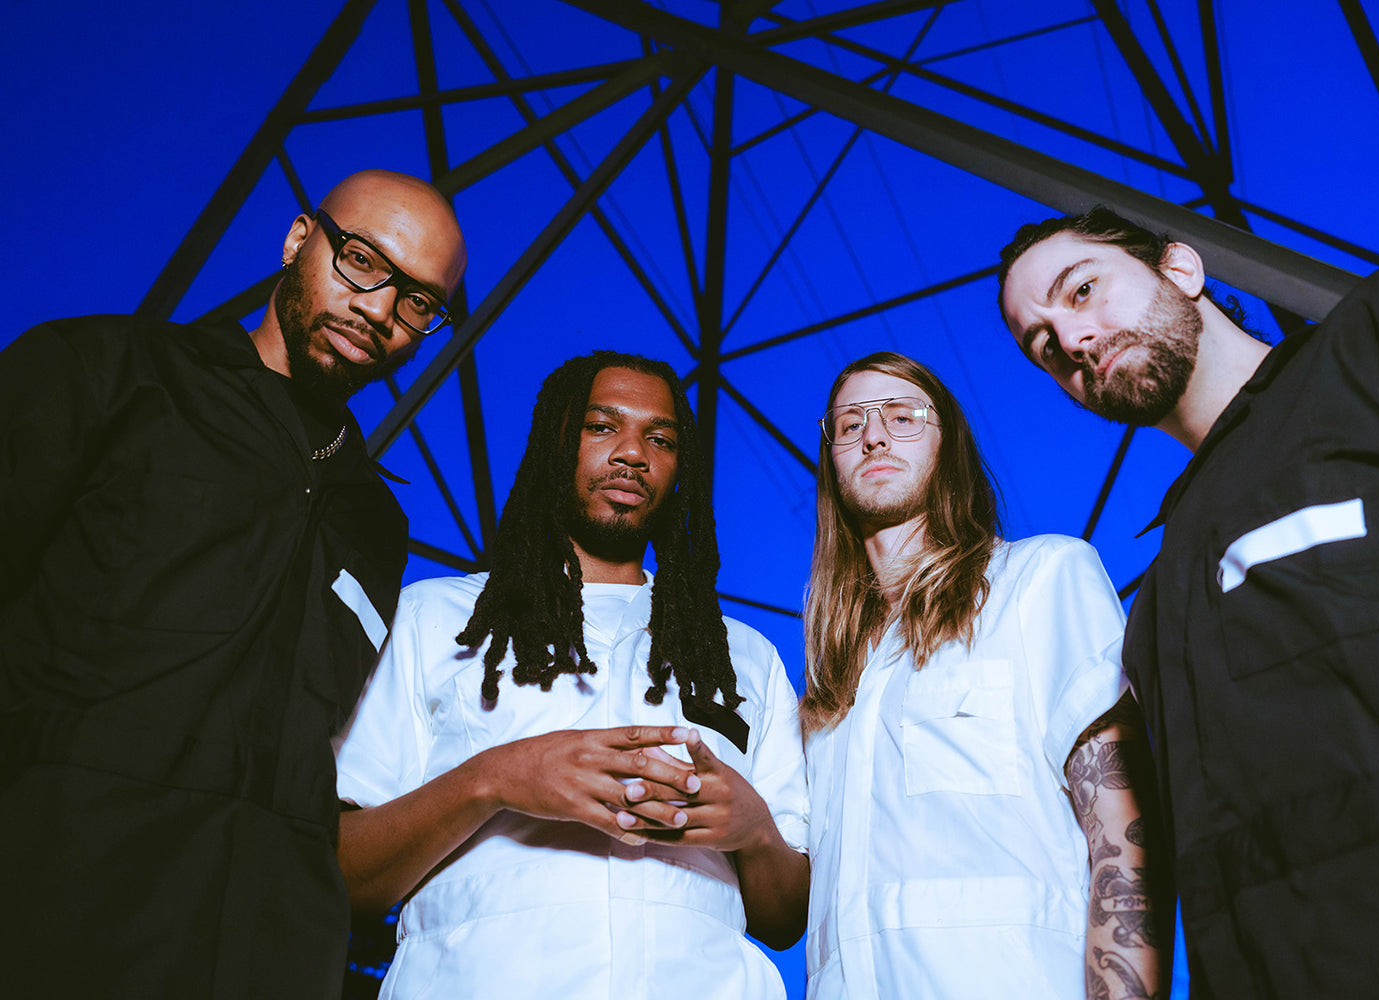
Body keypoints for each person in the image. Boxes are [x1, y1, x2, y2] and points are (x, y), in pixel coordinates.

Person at [998, 206, 1379, 998]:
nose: (1075, 340)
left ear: (1181, 269)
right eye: (1045, 348)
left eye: (1083, 290)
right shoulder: (1159, 610)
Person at [0, 168, 467, 999]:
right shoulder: (103, 372)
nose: (380, 310)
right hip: (51, 910)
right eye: (362, 261)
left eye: (419, 301)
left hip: (265, 952)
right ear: (299, 240)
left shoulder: (375, 523)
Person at [333, 351, 809, 999]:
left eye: (661, 439)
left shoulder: (744, 655)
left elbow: (785, 919)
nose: (632, 453)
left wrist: (754, 832)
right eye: (601, 426)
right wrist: (493, 779)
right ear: (554, 443)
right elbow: (340, 875)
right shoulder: (434, 618)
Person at [801, 351, 1168, 1000]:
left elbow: (1125, 832)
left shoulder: (1039, 580)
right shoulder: (827, 698)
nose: (874, 436)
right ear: (831, 458)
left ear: (949, 445)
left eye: (903, 417)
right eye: (850, 424)